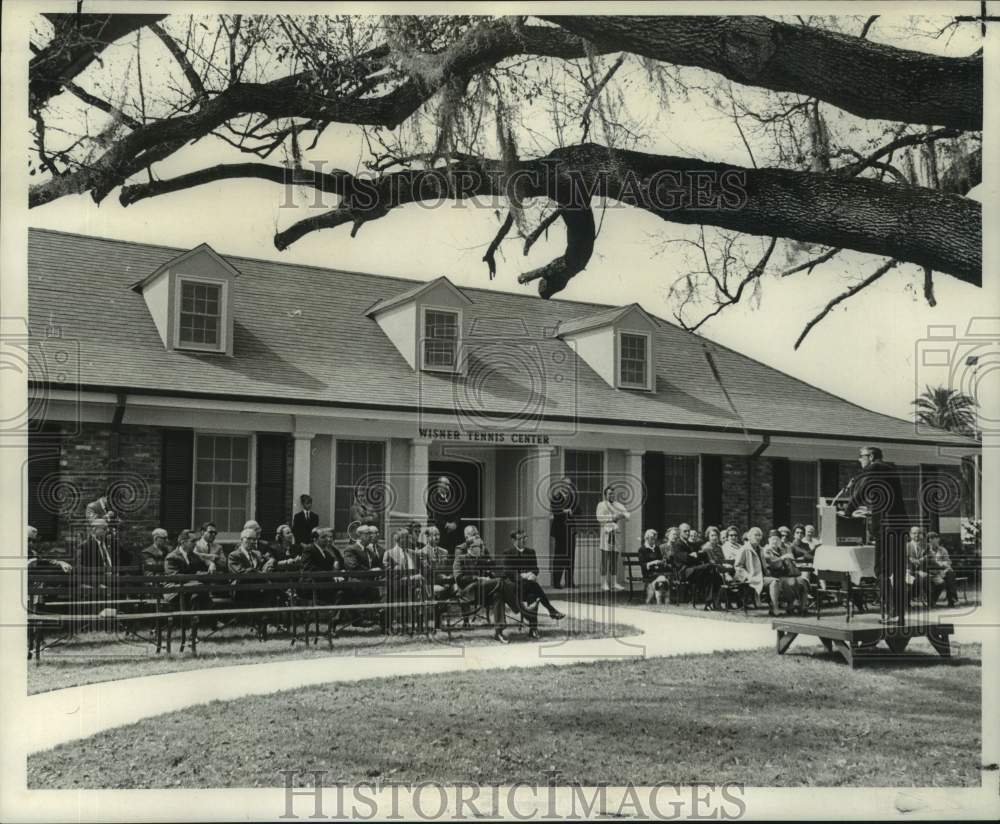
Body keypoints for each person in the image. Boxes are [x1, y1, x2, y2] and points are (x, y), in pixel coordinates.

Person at [841, 446, 910, 625]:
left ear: (871, 457)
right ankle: (900, 614)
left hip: (887, 528)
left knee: (882, 571)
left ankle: (891, 612)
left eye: (861, 457)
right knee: (899, 572)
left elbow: (862, 489)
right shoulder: (890, 469)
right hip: (901, 526)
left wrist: (848, 511)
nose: (860, 460)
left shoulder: (874, 468)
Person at [453, 526, 522, 644]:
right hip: (469, 592)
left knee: (498, 594)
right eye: (478, 547)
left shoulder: (481, 559)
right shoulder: (460, 559)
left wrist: (489, 574)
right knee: (500, 582)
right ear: (470, 548)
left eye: (481, 546)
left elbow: (492, 566)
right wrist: (478, 578)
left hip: (483, 591)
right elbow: (459, 579)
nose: (481, 549)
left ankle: (498, 632)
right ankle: (519, 608)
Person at [499, 529, 564, 639]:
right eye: (521, 538)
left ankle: (533, 629)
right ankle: (550, 610)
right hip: (515, 589)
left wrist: (533, 574)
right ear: (513, 540)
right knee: (534, 587)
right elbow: (507, 571)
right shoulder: (508, 553)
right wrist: (522, 576)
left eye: (525, 537)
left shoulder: (530, 552)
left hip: (528, 588)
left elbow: (535, 569)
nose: (524, 540)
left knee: (533, 596)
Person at [760, 530, 809, 616]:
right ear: (769, 540)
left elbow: (791, 561)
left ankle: (803, 607)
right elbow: (773, 564)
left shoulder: (782, 549)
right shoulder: (766, 550)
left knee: (803, 581)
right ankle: (790, 606)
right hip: (773, 575)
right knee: (790, 582)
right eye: (773, 539)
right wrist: (783, 558)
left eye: (777, 539)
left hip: (785, 575)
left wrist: (788, 557)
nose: (775, 541)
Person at [163, 528, 210, 608]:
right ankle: (202, 617)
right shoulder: (172, 557)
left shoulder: (194, 556)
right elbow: (174, 576)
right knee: (200, 589)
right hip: (173, 590)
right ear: (183, 542)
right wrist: (195, 579)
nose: (195, 544)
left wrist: (211, 564)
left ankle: (197, 617)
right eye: (193, 541)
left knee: (199, 592)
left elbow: (203, 567)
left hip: (192, 589)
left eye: (196, 541)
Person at [596, 485, 629, 592]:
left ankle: (614, 583)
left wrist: (623, 515)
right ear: (605, 495)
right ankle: (604, 582)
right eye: (610, 493)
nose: (612, 495)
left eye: (613, 493)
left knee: (614, 559)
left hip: (615, 534)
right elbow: (599, 518)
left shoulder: (618, 505)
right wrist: (612, 517)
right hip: (606, 533)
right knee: (605, 559)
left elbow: (627, 514)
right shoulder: (601, 505)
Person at [383, 529, 431, 601]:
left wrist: (426, 564)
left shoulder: (413, 553)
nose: (409, 540)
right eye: (406, 537)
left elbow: (422, 569)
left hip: (415, 584)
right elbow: (391, 574)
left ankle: (427, 604)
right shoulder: (389, 553)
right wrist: (411, 578)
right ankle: (428, 603)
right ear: (398, 539)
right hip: (399, 585)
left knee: (422, 584)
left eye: (408, 537)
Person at [549, 476, 578, 589]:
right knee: (559, 557)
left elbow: (579, 510)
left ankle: (569, 581)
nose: (568, 487)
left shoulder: (573, 498)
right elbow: (555, 511)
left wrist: (572, 510)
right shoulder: (556, 497)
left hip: (570, 530)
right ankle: (556, 582)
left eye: (569, 485)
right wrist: (565, 511)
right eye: (565, 484)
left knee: (571, 556)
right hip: (560, 531)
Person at [698, 526, 733, 610]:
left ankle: (729, 601)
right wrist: (724, 571)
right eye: (712, 535)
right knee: (719, 578)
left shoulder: (719, 547)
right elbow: (712, 562)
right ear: (708, 537)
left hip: (720, 568)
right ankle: (717, 602)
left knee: (733, 572)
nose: (714, 537)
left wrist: (727, 568)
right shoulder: (706, 547)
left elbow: (723, 560)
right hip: (710, 571)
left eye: (716, 535)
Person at [733, 527, 766, 607]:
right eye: (756, 535)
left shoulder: (761, 550)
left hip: (762, 576)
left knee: (776, 581)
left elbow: (764, 565)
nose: (758, 537)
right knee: (774, 582)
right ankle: (774, 608)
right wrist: (747, 575)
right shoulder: (744, 549)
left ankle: (774, 608)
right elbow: (738, 566)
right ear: (749, 537)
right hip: (750, 577)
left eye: (759, 535)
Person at [925, 532, 960, 608]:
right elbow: (925, 564)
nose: (936, 542)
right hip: (930, 572)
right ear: (928, 541)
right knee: (941, 579)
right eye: (932, 540)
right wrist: (940, 564)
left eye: (937, 540)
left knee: (950, 573)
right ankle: (932, 601)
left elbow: (948, 561)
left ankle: (952, 600)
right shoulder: (926, 550)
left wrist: (944, 569)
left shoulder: (942, 550)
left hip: (942, 572)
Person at [637, 528, 669, 604]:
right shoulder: (642, 549)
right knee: (662, 578)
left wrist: (662, 562)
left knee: (665, 578)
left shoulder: (657, 548)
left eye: (655, 539)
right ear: (646, 538)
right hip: (648, 572)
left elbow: (660, 558)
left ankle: (663, 599)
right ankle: (659, 600)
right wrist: (653, 562)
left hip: (658, 570)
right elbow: (642, 564)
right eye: (652, 539)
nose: (653, 541)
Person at [906, 525, 930, 603]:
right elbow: (905, 560)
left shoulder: (926, 546)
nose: (916, 535)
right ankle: (914, 597)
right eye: (914, 533)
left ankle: (930, 600)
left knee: (927, 578)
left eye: (919, 533)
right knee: (917, 579)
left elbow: (929, 557)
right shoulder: (906, 546)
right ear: (910, 534)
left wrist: (923, 559)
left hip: (923, 570)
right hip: (910, 571)